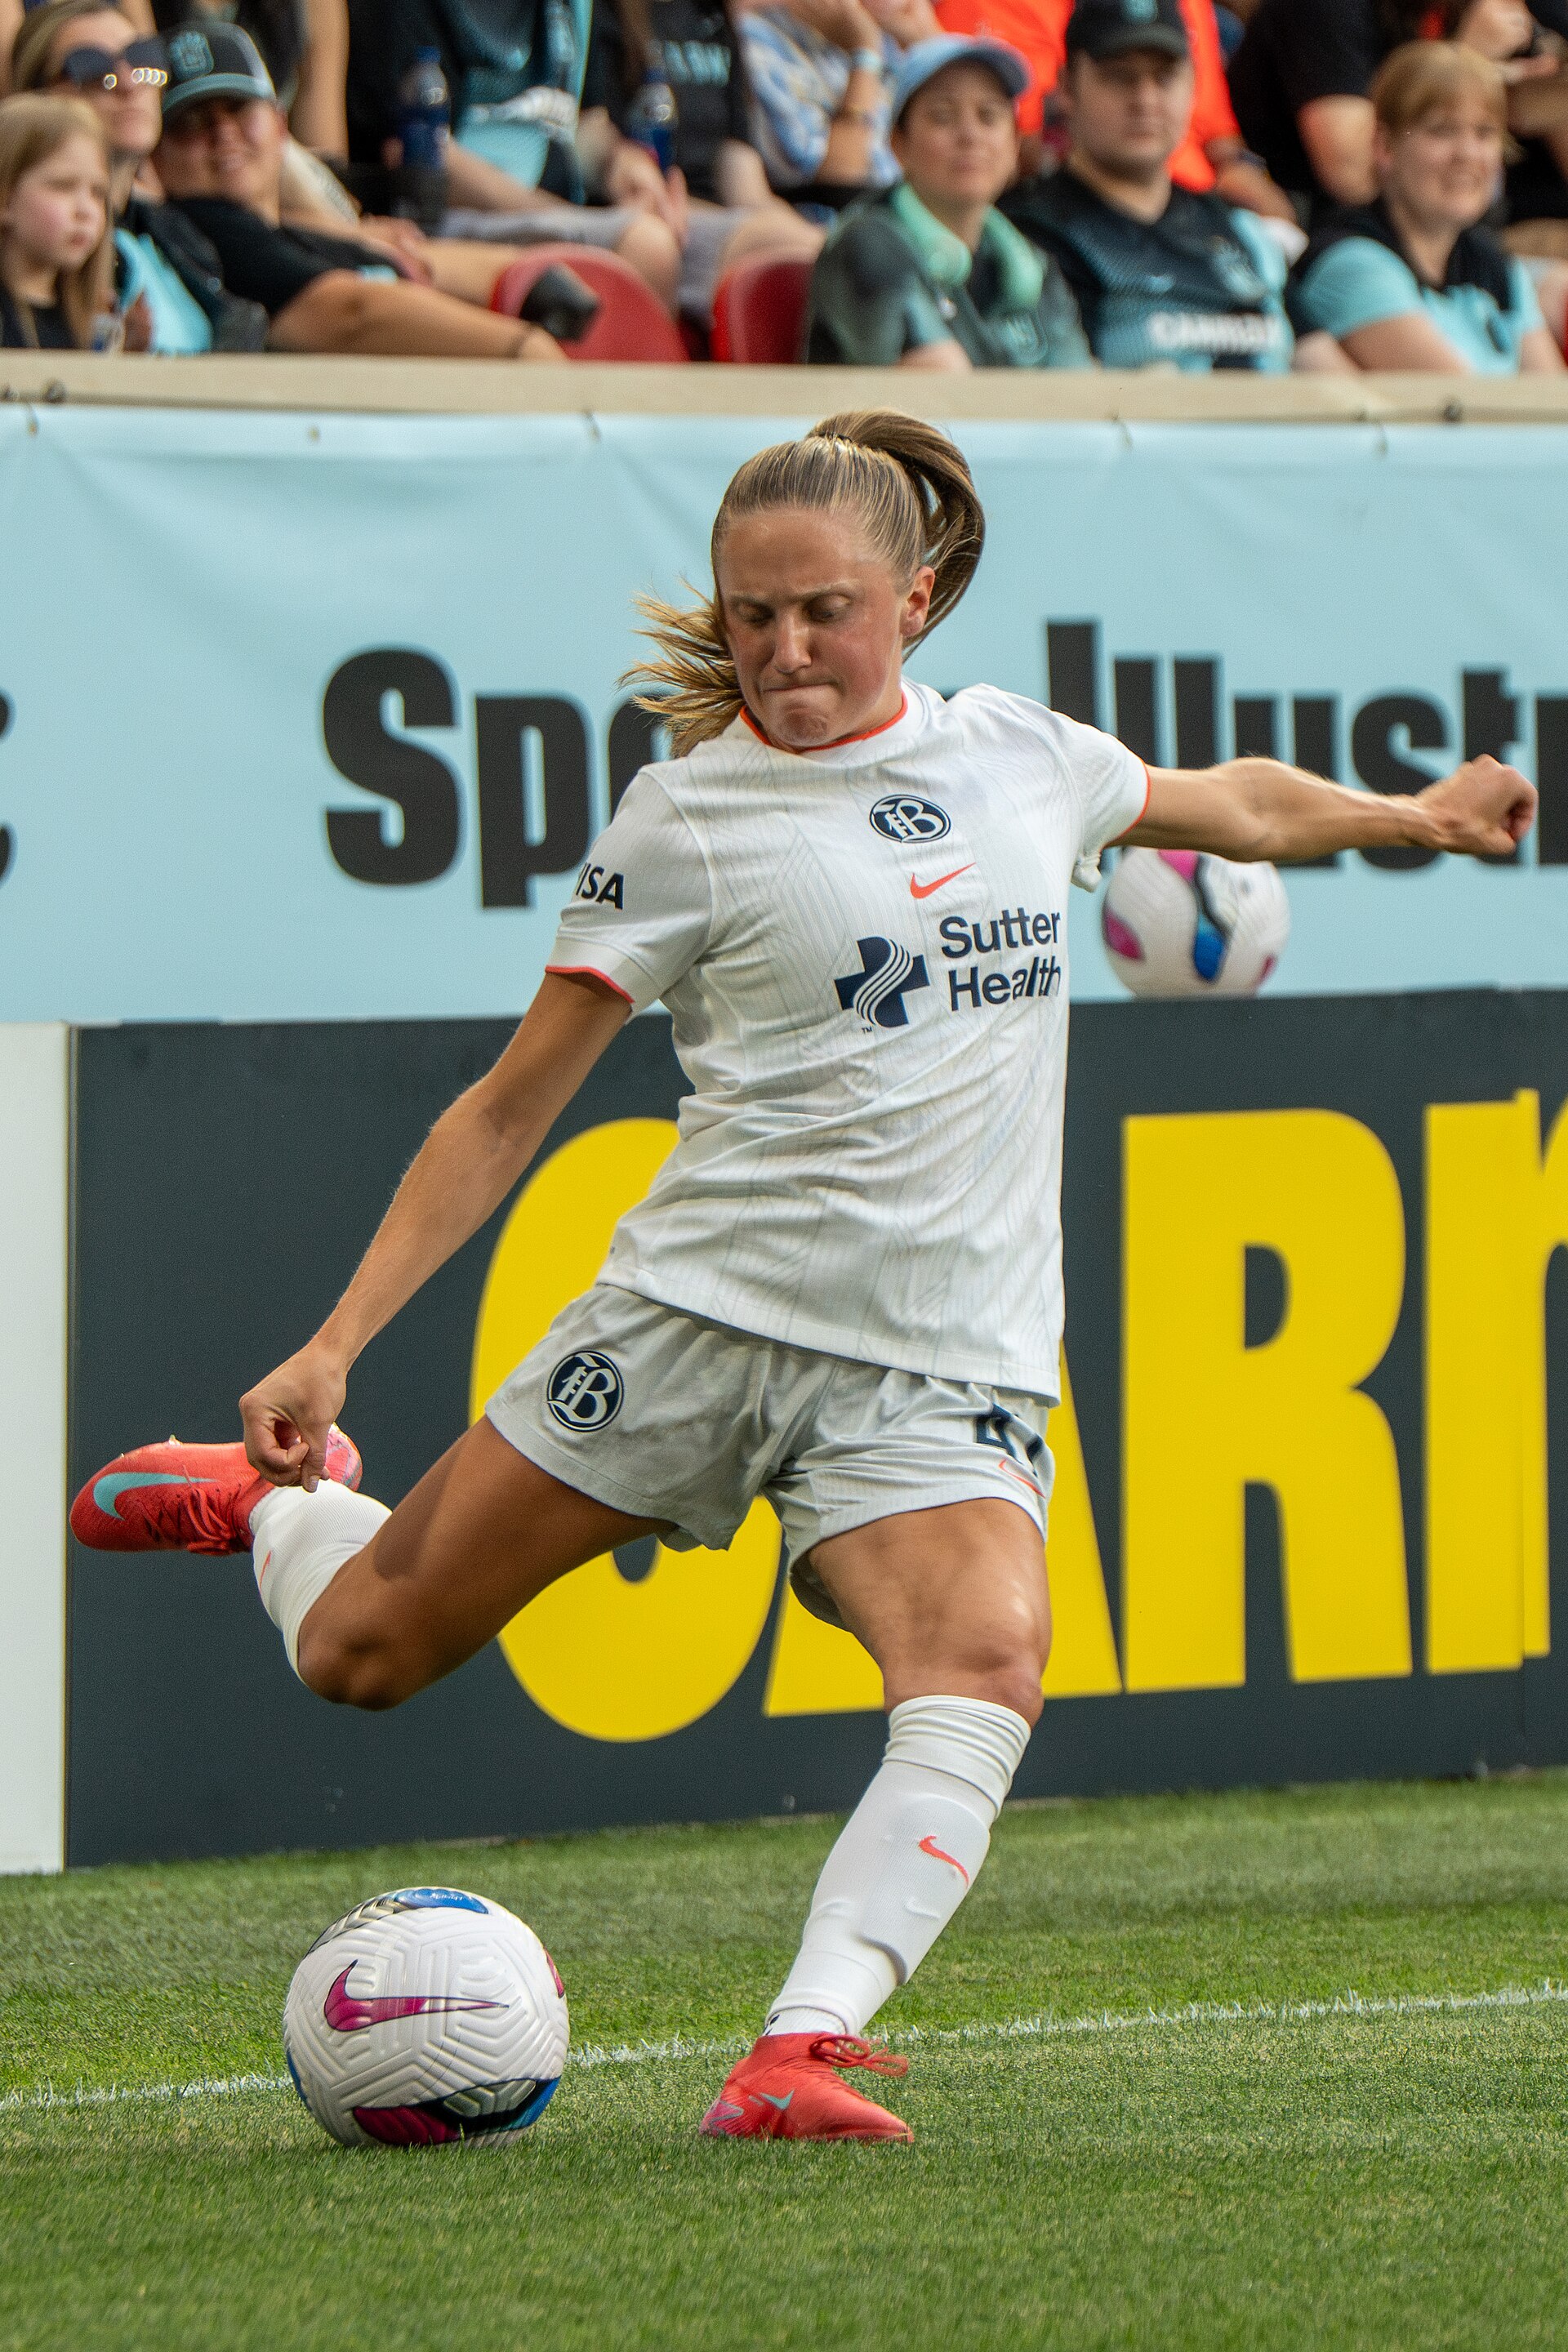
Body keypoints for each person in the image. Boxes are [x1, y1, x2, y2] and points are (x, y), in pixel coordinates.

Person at [71, 408, 1537, 2140]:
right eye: (751, 616)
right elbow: (505, 1108)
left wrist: (1415, 815)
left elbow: (1232, 801)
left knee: (985, 1665)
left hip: (938, 1362)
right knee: (364, 1655)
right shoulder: (686, 818)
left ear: (914, 601)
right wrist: (332, 1345)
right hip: (700, 1324)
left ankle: (799, 2048)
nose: (783, 652)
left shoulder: (1021, 754)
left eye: (823, 611)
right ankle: (263, 1513)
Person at [150, 25, 568, 355]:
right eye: (191, 123)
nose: (223, 133)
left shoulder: (294, 233)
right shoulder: (208, 229)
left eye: (238, 109)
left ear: (280, 125)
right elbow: (350, 315)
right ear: (156, 156)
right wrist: (522, 349)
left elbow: (427, 260)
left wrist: (533, 277)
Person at [1000, 0, 1297, 370]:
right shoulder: (1026, 236)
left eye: (1165, 77)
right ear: (1066, 88)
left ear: (1193, 84)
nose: (1145, 100)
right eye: (1120, 76)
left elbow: (1324, 371)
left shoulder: (1241, 232)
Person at [343, 0, 682, 305]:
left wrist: (622, 163)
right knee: (648, 247)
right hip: (447, 218)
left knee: (727, 244)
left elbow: (579, 123)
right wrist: (568, 217)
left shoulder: (579, 8)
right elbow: (414, 152)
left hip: (563, 211)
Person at [806, 34, 1090, 363]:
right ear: (899, 144)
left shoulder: (1033, 264)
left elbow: (1076, 385)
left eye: (988, 116)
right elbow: (937, 381)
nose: (970, 135)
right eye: (942, 116)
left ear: (1015, 142)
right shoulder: (865, 242)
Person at [1288, 41, 1564, 371]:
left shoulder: (1497, 267)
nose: (1467, 154)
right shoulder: (1350, 263)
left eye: (1484, 133)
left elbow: (1554, 406)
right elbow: (1461, 409)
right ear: (1384, 146)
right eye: (1442, 131)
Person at [12, 0, 267, 350]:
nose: (129, 83)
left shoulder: (176, 235)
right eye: (94, 70)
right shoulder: (40, 237)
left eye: (143, 59)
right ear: (38, 98)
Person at [1230, 0, 1568, 223]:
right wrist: (1465, 57)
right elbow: (1353, 176)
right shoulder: (1327, 10)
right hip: (1333, 236)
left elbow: (1528, 113)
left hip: (1451, 238)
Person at [590, 0, 822, 318]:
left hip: (716, 218)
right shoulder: (605, 11)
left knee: (827, 252)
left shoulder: (713, 14)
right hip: (650, 212)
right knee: (807, 252)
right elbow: (598, 144)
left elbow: (742, 176)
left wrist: (804, 232)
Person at [736, 0, 938, 210]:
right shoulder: (757, 42)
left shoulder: (877, 31)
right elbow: (839, 187)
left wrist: (929, 42)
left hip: (914, 216)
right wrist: (865, 56)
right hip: (848, 223)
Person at [0, 88, 112, 342]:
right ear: (6, 199)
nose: (86, 210)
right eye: (63, 187)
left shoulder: (94, 326)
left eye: (97, 192)